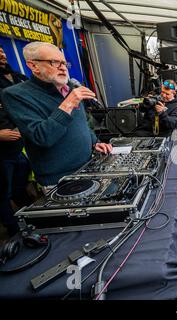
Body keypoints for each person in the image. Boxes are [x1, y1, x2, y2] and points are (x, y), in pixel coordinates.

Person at [2, 42, 111, 190]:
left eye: (63, 62)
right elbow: (42, 137)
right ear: (33, 66)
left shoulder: (70, 88)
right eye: (54, 62)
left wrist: (94, 142)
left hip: (89, 166)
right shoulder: (16, 95)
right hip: (59, 180)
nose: (62, 67)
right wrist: (68, 103)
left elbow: (82, 122)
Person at [0, 46, 30, 236]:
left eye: (2, 51)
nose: (2, 54)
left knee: (21, 187)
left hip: (19, 147)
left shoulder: (17, 77)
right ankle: (13, 232)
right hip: (2, 153)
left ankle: (30, 220)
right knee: (4, 194)